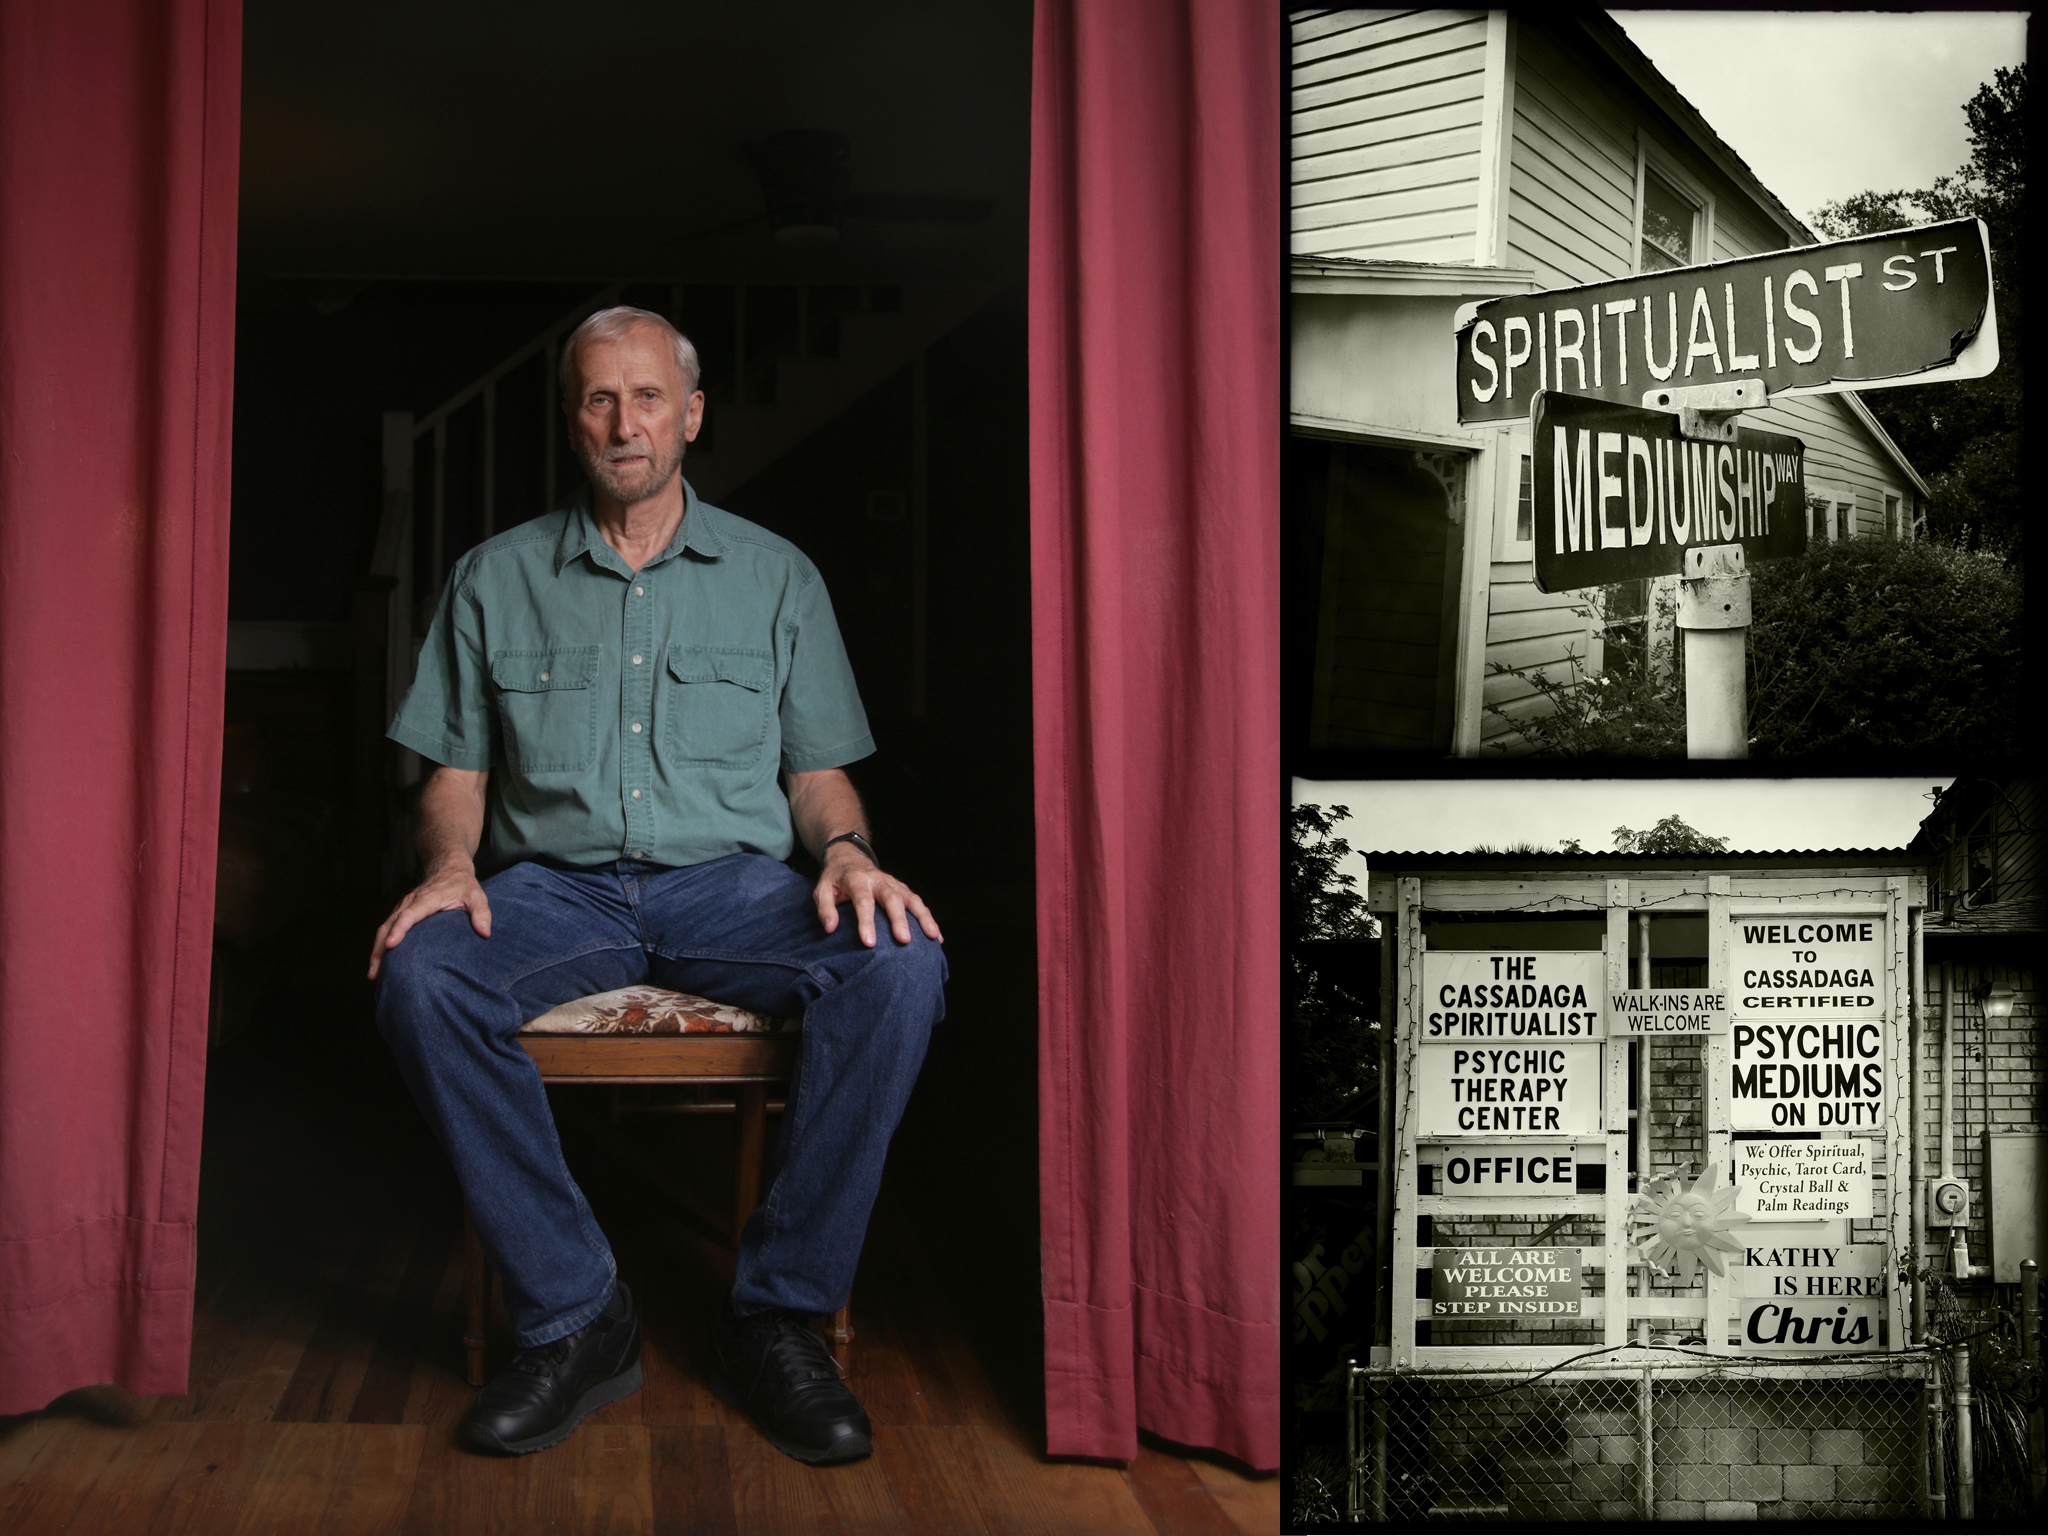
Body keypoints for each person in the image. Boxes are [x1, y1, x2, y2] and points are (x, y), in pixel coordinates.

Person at [368, 305, 946, 1463]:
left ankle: (775, 1320)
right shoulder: (493, 579)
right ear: (571, 421)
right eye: (596, 398)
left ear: (690, 414)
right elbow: (455, 776)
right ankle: (578, 1314)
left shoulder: (778, 578)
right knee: (418, 972)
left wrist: (845, 852)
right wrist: (444, 866)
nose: (621, 422)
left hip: (731, 890)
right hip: (552, 893)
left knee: (899, 963)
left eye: (644, 397)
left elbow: (817, 775)